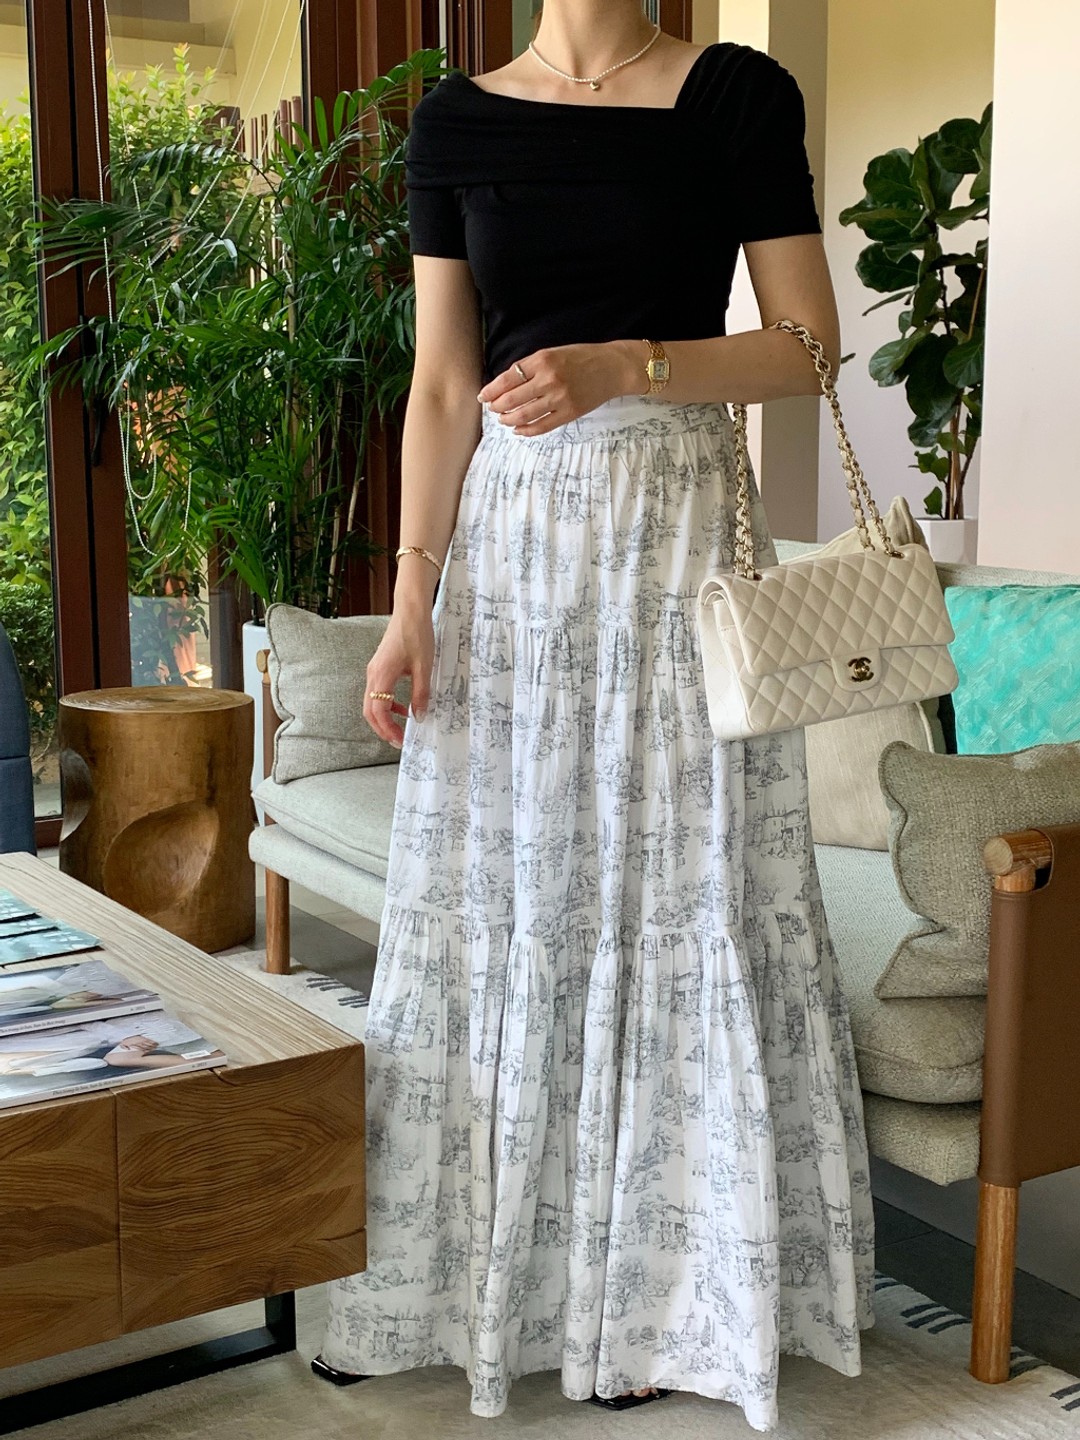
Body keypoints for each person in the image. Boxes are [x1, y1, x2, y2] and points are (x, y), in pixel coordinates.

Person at [314, 4, 875, 1430]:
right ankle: (469, 1287)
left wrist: (633, 362)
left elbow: (809, 348)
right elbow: (443, 385)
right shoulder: (456, 120)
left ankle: (667, 1307)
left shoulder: (736, 95)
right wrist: (410, 598)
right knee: (506, 901)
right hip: (510, 558)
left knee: (679, 897)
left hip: (677, 541)